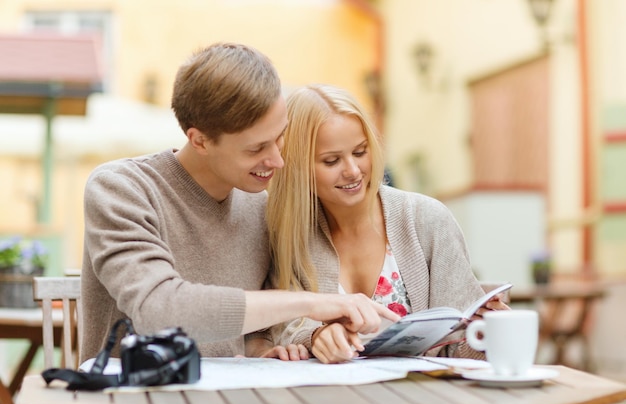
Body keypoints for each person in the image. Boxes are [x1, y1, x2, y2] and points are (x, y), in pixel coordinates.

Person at [80, 44, 399, 364]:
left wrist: (260, 347)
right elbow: (160, 311)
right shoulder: (121, 189)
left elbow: (252, 328)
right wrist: (309, 303)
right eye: (257, 148)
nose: (278, 160)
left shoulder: (260, 208)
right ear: (200, 140)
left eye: (280, 136)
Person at [266, 84, 510, 364]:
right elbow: (276, 328)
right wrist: (314, 336)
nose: (353, 171)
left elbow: (461, 350)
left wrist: (493, 332)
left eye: (360, 152)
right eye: (331, 160)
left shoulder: (428, 220)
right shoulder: (286, 234)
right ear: (298, 167)